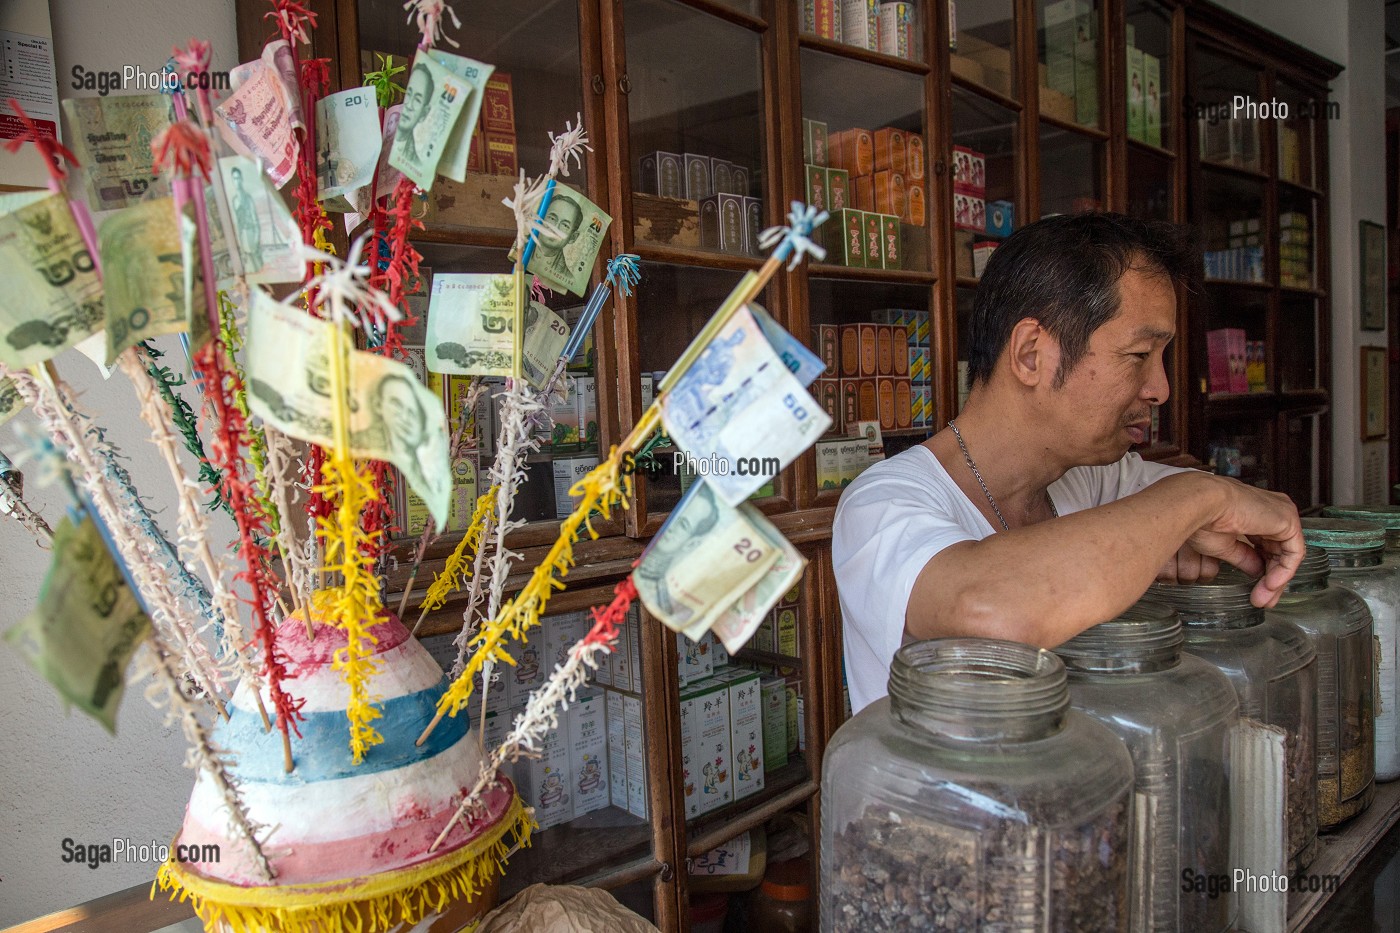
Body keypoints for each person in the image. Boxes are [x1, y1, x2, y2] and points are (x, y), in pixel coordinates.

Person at [832, 213, 1305, 713]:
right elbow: (987, 609)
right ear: (1033, 354)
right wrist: (1202, 499)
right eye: (1140, 354)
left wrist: (1198, 515)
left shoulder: (1097, 481)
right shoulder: (880, 503)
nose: (1160, 389)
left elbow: (1240, 527)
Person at [532, 193, 583, 284]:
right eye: (552, 218)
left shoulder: (569, 278)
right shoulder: (519, 253)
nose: (555, 227)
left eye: (565, 225)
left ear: (573, 237)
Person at [396, 63, 433, 165]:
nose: (409, 105)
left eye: (417, 99)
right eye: (408, 93)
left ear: (424, 113)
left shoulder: (416, 163)